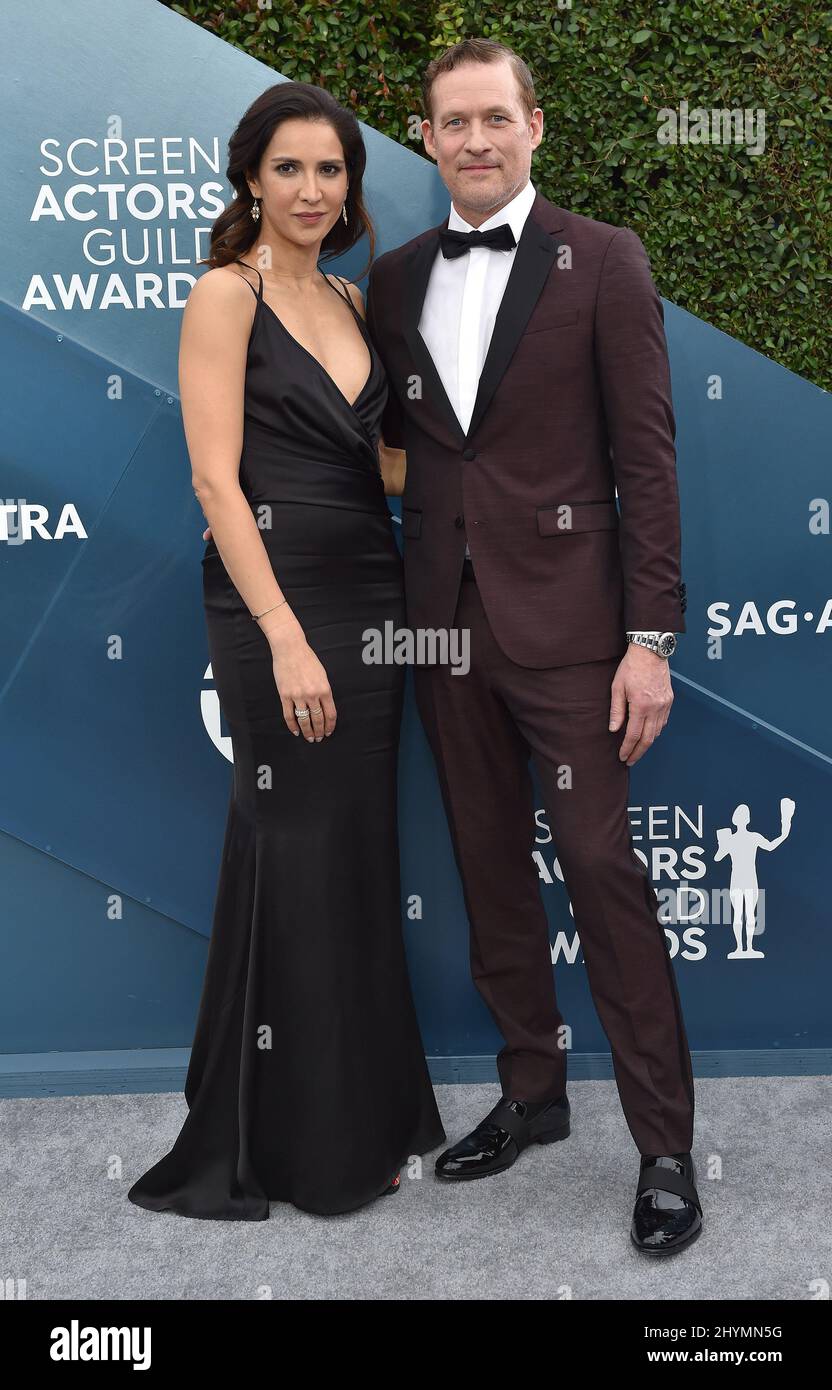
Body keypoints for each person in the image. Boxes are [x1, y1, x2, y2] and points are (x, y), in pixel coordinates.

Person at [365, 38, 701, 1254]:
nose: (473, 141)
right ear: (428, 137)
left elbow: (647, 462)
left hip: (573, 635)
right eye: (451, 123)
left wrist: (647, 637)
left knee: (604, 874)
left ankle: (664, 1143)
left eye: (493, 118)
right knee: (485, 860)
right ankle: (531, 1090)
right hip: (441, 628)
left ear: (534, 126)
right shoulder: (395, 278)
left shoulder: (602, 260)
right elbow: (415, 450)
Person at [127, 82, 444, 1222]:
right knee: (293, 846)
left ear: (349, 184)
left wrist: (500, 471)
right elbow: (216, 478)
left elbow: (381, 465)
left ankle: (363, 1119)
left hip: (370, 591)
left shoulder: (355, 303)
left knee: (353, 852)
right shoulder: (226, 295)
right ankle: (286, 1145)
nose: (312, 191)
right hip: (277, 602)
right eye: (289, 170)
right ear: (251, 180)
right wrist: (283, 639)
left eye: (330, 170)